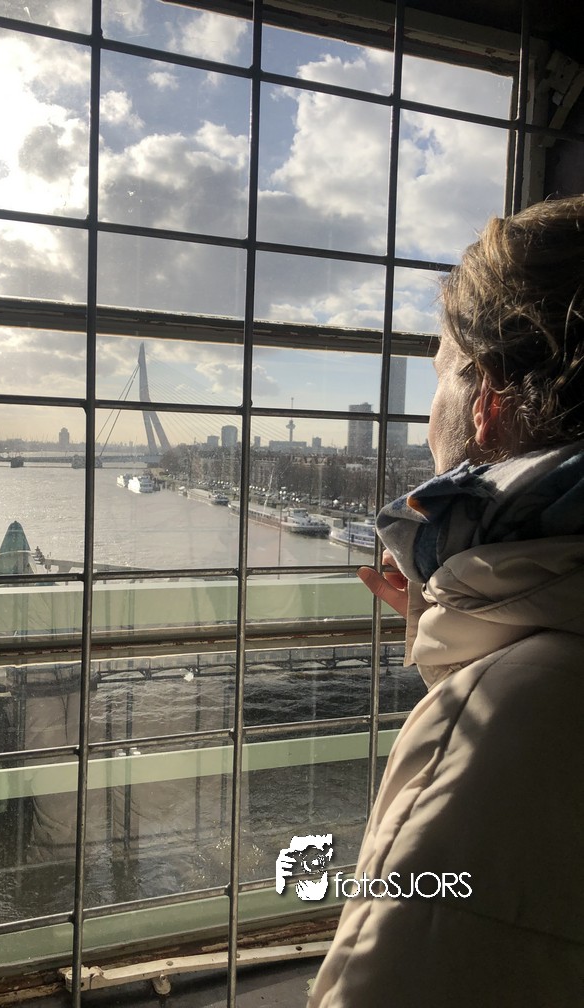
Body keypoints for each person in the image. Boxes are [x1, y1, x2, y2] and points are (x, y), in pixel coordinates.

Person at [308, 195, 584, 1007]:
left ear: (488, 399)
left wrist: (478, 692)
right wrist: (474, 650)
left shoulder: (504, 720)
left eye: (438, 374)